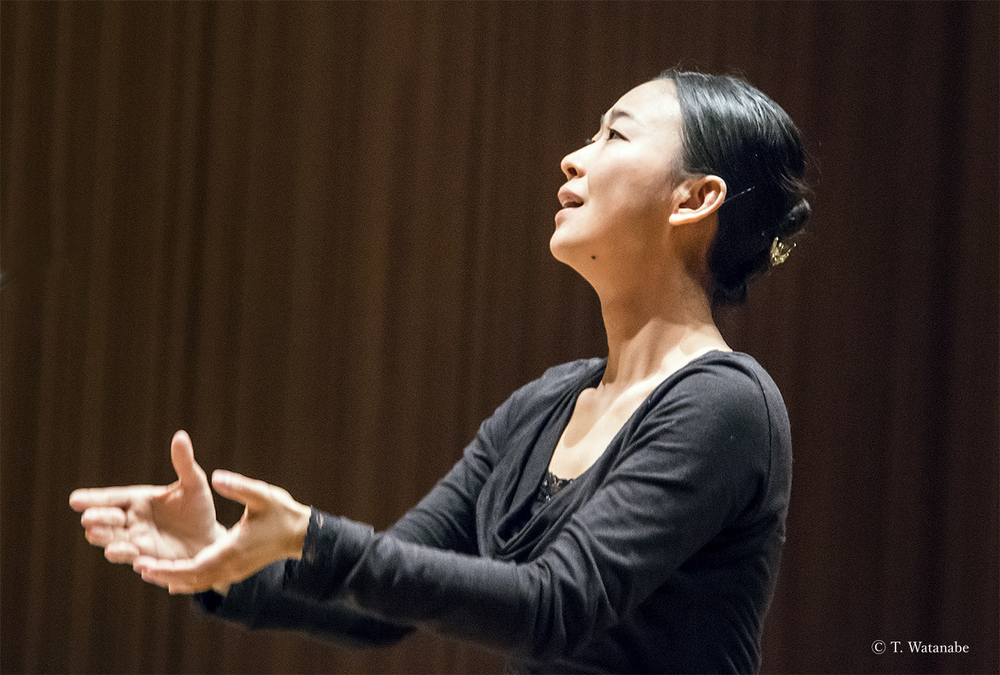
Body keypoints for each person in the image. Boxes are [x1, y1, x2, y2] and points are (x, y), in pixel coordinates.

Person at [71, 69, 811, 674]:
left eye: (614, 135)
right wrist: (220, 560)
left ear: (694, 198)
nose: (573, 157)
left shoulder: (725, 403)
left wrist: (314, 535)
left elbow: (555, 606)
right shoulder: (544, 404)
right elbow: (381, 606)